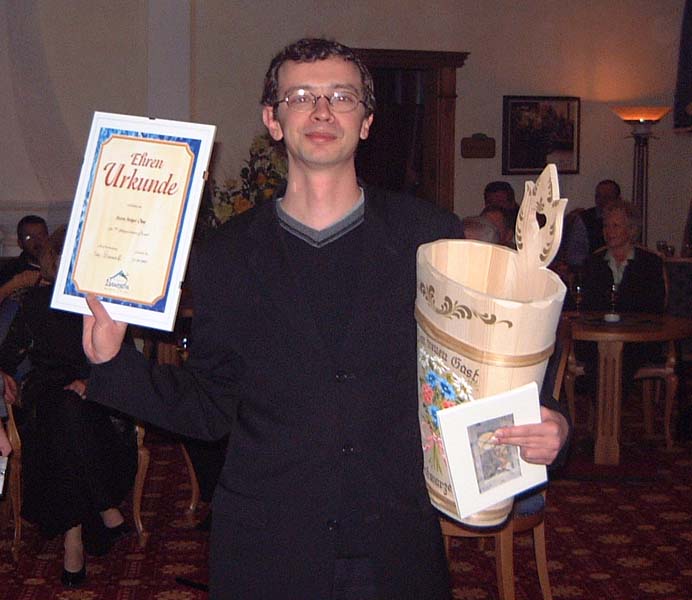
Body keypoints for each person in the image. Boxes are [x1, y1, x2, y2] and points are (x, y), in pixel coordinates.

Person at [83, 38, 569, 600]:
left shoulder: (428, 236)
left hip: (396, 543)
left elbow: (485, 361)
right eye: (300, 97)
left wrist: (552, 423)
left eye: (341, 96)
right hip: (269, 545)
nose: (321, 111)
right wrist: (112, 362)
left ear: (366, 121)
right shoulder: (225, 255)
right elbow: (211, 405)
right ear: (272, 120)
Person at [0, 227, 137, 587]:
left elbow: (127, 362)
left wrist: (92, 383)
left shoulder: (104, 304)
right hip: (46, 394)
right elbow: (6, 354)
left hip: (95, 397)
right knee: (62, 409)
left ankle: (73, 537)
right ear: (52, 261)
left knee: (68, 413)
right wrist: (2, 374)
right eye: (62, 257)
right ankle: (101, 507)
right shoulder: (35, 303)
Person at [577, 200, 665, 391]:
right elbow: (587, 305)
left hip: (637, 339)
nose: (609, 231)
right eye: (606, 226)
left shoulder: (650, 263)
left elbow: (654, 306)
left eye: (615, 226)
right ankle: (604, 406)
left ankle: (609, 406)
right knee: (596, 359)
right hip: (599, 338)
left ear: (631, 230)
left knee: (621, 359)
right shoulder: (593, 262)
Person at [563, 179, 621, 269]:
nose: (602, 201)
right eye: (598, 196)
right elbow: (575, 257)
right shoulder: (584, 219)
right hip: (592, 269)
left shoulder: (627, 219)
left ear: (618, 199)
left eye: (607, 197)